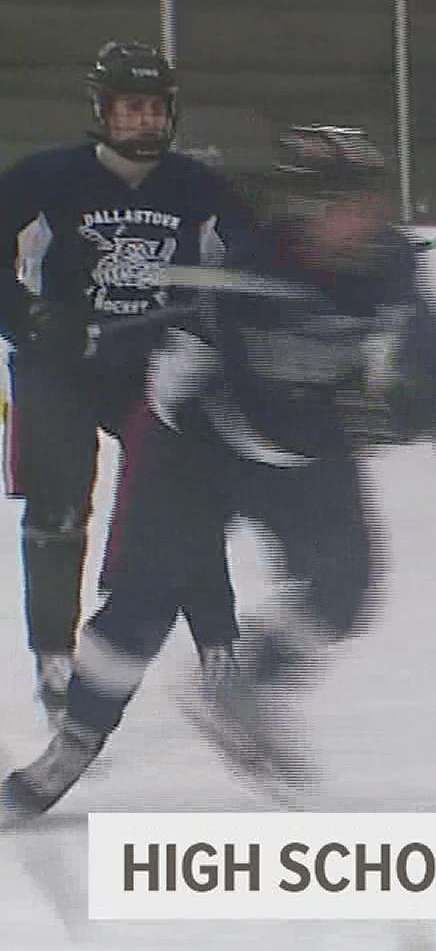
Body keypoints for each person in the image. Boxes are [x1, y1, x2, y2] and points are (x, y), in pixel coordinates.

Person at [0, 126, 436, 819]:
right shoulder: (245, 272)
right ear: (301, 210)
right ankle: (75, 745)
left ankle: (246, 689)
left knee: (346, 584)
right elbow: (235, 402)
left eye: (368, 201)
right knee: (141, 608)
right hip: (197, 452)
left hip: (302, 458)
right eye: (342, 204)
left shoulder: (388, 262)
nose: (362, 218)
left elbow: (424, 333)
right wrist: (365, 417)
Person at [0, 40, 256, 725]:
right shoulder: (45, 176)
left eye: (153, 108)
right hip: (58, 368)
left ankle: (221, 652)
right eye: (129, 108)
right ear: (103, 111)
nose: (142, 120)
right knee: (58, 509)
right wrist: (25, 318)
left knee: (185, 500)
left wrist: (310, 267)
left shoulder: (197, 185)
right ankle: (55, 660)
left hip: (151, 367)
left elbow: (257, 252)